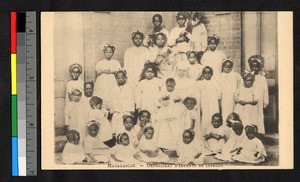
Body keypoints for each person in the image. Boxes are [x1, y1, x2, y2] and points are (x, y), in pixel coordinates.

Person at [94, 44, 121, 109]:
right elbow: (98, 72)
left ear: (113, 53)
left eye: (110, 52)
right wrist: (104, 71)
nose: (108, 54)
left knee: (111, 94)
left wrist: (112, 71)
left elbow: (118, 71)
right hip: (102, 81)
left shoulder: (115, 62)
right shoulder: (100, 62)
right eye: (107, 52)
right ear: (104, 52)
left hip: (112, 80)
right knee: (103, 94)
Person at [109, 70, 135, 135]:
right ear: (116, 79)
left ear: (125, 78)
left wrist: (130, 111)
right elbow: (111, 100)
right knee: (115, 128)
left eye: (122, 78)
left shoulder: (129, 88)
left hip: (126, 110)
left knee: (125, 128)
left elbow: (131, 99)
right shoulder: (113, 88)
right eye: (118, 78)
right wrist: (112, 110)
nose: (120, 79)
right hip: (116, 111)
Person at [248, 55, 269, 134]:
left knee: (258, 114)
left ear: (259, 68)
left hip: (259, 101)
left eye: (256, 67)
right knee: (250, 114)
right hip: (250, 99)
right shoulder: (248, 76)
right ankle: (250, 131)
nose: (254, 69)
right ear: (250, 67)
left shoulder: (262, 78)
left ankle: (258, 132)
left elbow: (265, 90)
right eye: (253, 67)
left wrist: (265, 102)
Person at [198, 66, 221, 133]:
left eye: (209, 73)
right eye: (205, 73)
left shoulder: (215, 83)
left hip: (213, 104)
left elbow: (219, 97)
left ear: (212, 74)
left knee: (213, 118)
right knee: (205, 119)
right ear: (202, 74)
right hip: (204, 104)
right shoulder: (200, 84)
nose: (207, 74)